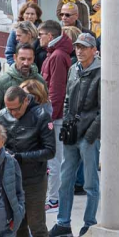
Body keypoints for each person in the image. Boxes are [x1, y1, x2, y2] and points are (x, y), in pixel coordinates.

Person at [0, 85, 57, 237]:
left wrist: (21, 157)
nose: (12, 114)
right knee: (16, 222)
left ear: (25, 101)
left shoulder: (41, 115)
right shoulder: (2, 116)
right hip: (11, 177)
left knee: (36, 225)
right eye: (9, 109)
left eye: (16, 109)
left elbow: (50, 151)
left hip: (33, 178)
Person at [49, 33, 102, 237]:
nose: (79, 51)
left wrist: (90, 136)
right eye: (77, 47)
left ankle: (89, 224)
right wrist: (66, 124)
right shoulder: (73, 69)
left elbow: (102, 110)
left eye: (84, 47)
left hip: (89, 136)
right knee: (65, 180)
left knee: (90, 184)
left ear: (94, 50)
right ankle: (63, 223)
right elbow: (67, 99)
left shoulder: (101, 72)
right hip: (72, 133)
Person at [39, 20, 74, 210]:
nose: (39, 38)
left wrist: (50, 117)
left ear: (49, 36)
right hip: (53, 114)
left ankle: (54, 199)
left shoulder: (57, 56)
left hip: (55, 117)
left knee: (54, 159)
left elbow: (56, 90)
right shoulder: (54, 54)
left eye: (40, 35)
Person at [0, 43, 45, 115]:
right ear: (15, 57)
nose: (26, 63)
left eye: (29, 59)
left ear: (33, 58)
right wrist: (7, 123)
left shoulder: (40, 81)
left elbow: (46, 107)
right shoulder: (2, 82)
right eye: (22, 59)